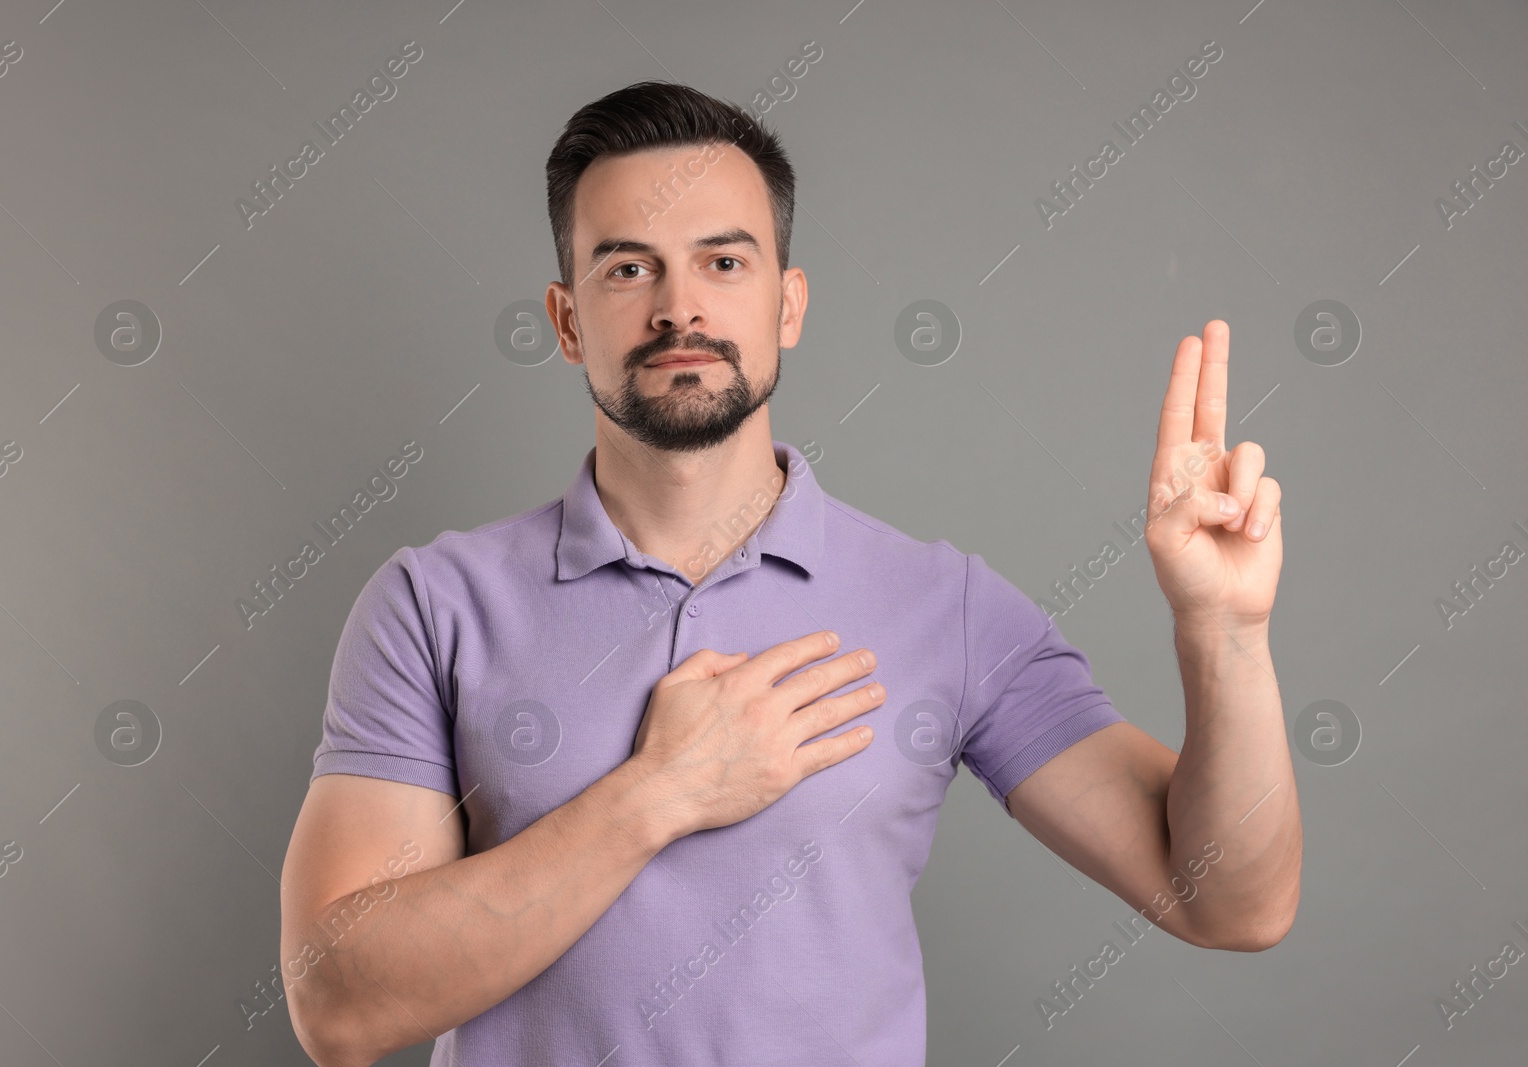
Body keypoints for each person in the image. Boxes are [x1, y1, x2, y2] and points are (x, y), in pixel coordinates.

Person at [280, 80, 1301, 1067]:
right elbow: (338, 1008)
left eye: (723, 262)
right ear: (564, 319)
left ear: (787, 302)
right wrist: (659, 791)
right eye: (627, 270)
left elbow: (1230, 900)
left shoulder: (940, 604)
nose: (679, 308)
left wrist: (1223, 633)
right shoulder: (432, 603)